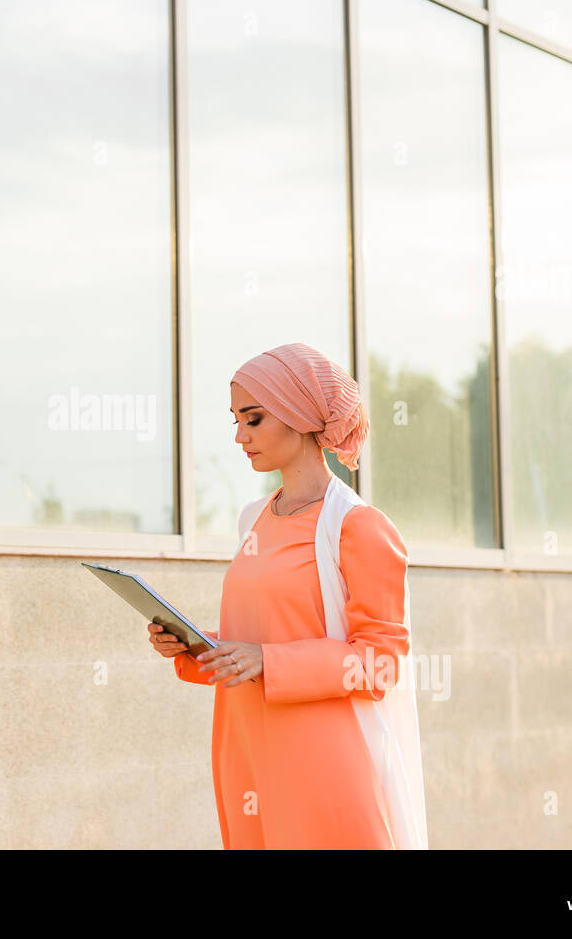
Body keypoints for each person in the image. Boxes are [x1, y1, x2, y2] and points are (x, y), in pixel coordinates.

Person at [149, 342, 425, 849]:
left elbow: (381, 661)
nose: (239, 436)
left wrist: (268, 662)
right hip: (248, 749)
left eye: (253, 419)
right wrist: (192, 643)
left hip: (322, 760)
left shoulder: (358, 527)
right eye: (235, 420)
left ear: (298, 417)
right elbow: (258, 642)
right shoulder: (251, 520)